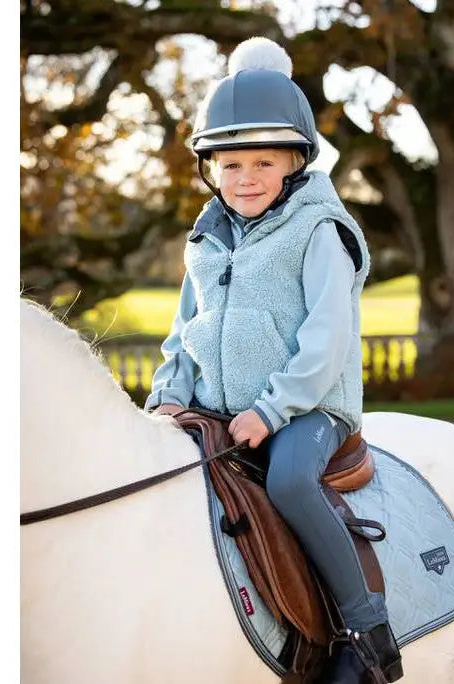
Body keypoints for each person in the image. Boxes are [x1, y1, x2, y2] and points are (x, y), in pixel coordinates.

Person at [145, 37, 403, 684]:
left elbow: (327, 338)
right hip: (218, 408)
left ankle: (363, 626)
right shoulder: (205, 238)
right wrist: (168, 396)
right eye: (230, 166)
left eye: (264, 162)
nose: (247, 178)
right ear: (211, 170)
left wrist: (271, 408)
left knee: (288, 481)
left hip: (308, 407)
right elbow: (185, 329)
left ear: (297, 163)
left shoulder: (322, 230)